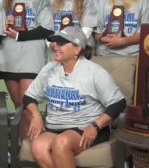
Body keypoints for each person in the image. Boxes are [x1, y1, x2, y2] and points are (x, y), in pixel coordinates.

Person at [22, 26, 126, 168]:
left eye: (62, 44)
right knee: (38, 146)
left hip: (86, 128)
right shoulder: (48, 70)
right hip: (55, 128)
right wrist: (36, 116)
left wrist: (95, 126)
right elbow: (28, 97)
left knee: (61, 143)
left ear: (77, 49)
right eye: (55, 43)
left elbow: (118, 103)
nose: (56, 47)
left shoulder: (94, 72)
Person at [0, 0, 54, 107]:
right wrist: (5, 23)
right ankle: (24, 131)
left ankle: (37, 130)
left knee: (28, 104)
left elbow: (47, 28)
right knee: (18, 104)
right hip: (9, 57)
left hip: (30, 57)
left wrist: (19, 35)